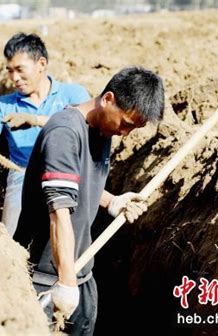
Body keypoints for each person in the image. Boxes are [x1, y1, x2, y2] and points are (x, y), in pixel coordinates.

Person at [14, 66, 165, 335]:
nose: (125, 134)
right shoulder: (64, 132)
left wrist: (111, 201)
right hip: (46, 278)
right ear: (108, 99)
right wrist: (66, 282)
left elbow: (79, 185)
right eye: (126, 124)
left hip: (81, 270)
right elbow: (59, 212)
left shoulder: (102, 130)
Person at [0, 33, 90, 236]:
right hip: (22, 177)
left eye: (19, 70)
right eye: (9, 71)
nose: (14, 78)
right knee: (9, 239)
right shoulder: (6, 104)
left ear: (41, 64)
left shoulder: (72, 94)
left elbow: (84, 126)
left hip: (68, 176)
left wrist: (36, 120)